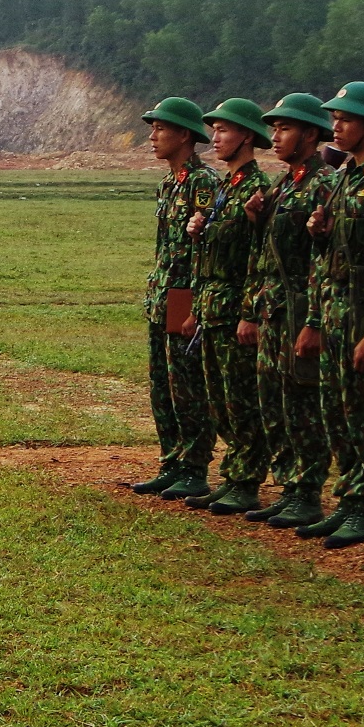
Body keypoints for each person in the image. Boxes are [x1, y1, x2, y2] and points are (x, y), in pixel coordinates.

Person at [299, 82, 364, 548]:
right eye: (336, 118)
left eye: (346, 119)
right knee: (337, 411)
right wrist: (320, 234)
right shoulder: (346, 176)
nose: (336, 126)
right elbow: (330, 258)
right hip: (336, 309)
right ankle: (347, 499)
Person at [190, 98, 279, 512]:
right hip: (213, 307)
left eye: (224, 130)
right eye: (215, 130)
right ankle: (233, 474)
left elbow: (259, 259)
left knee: (242, 399)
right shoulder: (226, 187)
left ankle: (247, 479)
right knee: (220, 400)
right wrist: (199, 230)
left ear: (246, 136)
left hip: (235, 309)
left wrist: (250, 313)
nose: (215, 137)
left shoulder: (256, 189)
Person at [132, 97, 221, 501]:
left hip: (186, 293)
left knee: (187, 385)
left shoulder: (203, 183)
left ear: (184, 134)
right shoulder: (169, 183)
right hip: (163, 293)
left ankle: (194, 467)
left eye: (160, 129)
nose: (153, 137)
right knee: (161, 385)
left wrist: (197, 305)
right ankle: (171, 461)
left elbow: (206, 250)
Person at [250, 92, 332, 530]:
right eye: (275, 128)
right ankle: (288, 487)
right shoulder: (284, 184)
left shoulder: (322, 184)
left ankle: (307, 490)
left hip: (300, 309)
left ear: (310, 134)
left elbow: (323, 261)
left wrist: (314, 321)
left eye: (285, 128)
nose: (276, 136)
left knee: (302, 404)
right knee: (275, 402)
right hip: (274, 309)